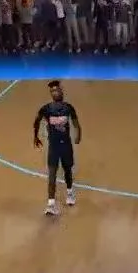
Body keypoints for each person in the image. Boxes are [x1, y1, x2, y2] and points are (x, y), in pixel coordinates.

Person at [32, 80, 82, 215]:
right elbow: (36, 121)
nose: (55, 92)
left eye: (57, 90)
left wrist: (78, 134)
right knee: (52, 175)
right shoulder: (46, 109)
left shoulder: (68, 108)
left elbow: (76, 122)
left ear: (61, 92)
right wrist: (35, 136)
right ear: (51, 94)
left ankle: (70, 193)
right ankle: (51, 205)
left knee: (67, 171)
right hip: (53, 147)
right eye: (52, 91)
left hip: (66, 146)